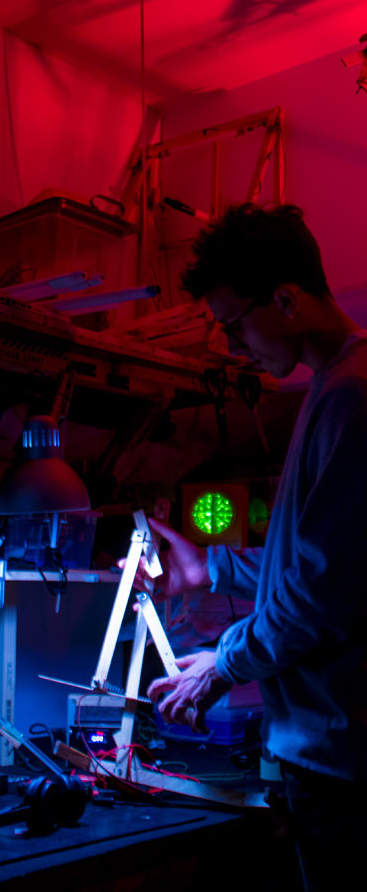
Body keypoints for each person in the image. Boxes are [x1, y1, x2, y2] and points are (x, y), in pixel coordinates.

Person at [136, 203, 367, 891]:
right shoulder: (331, 390)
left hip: (344, 764)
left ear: (287, 298)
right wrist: (209, 565)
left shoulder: (354, 401)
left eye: (234, 324)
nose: (234, 347)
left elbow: (321, 597)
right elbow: (318, 561)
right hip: (326, 754)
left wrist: (222, 668)